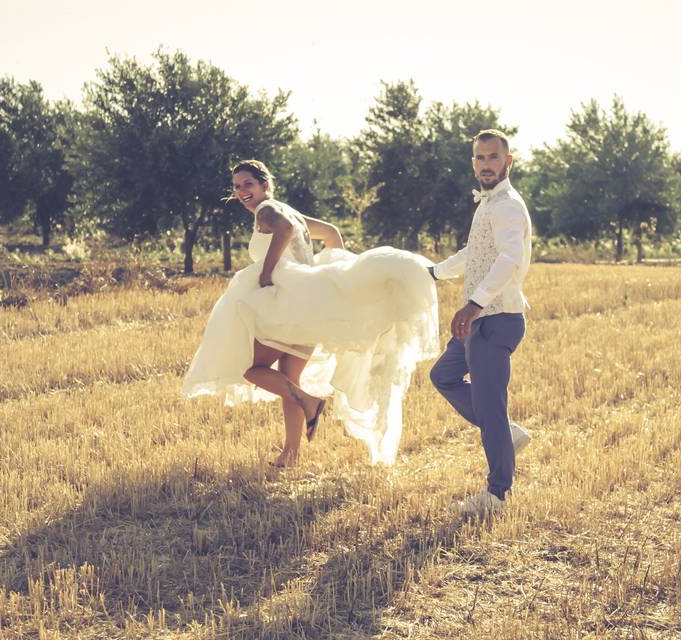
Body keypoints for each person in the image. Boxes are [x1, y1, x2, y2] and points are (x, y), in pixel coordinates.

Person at [182, 160, 440, 469]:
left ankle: (310, 402)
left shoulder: (269, 211)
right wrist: (328, 272)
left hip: (287, 306)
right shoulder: (289, 210)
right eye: (237, 187)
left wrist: (267, 273)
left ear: (265, 185)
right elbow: (330, 233)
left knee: (252, 369)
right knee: (289, 378)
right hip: (307, 308)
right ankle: (290, 454)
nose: (242, 192)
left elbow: (285, 229)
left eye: (248, 184)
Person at [428, 129, 533, 518]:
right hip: (480, 320)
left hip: (495, 319)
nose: (485, 164)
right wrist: (435, 273)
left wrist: (472, 305)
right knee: (443, 375)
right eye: (479, 158)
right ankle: (507, 431)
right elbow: (476, 252)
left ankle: (498, 493)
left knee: (490, 405)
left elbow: (509, 259)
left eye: (492, 157)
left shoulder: (506, 205)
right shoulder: (488, 203)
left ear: (508, 161)